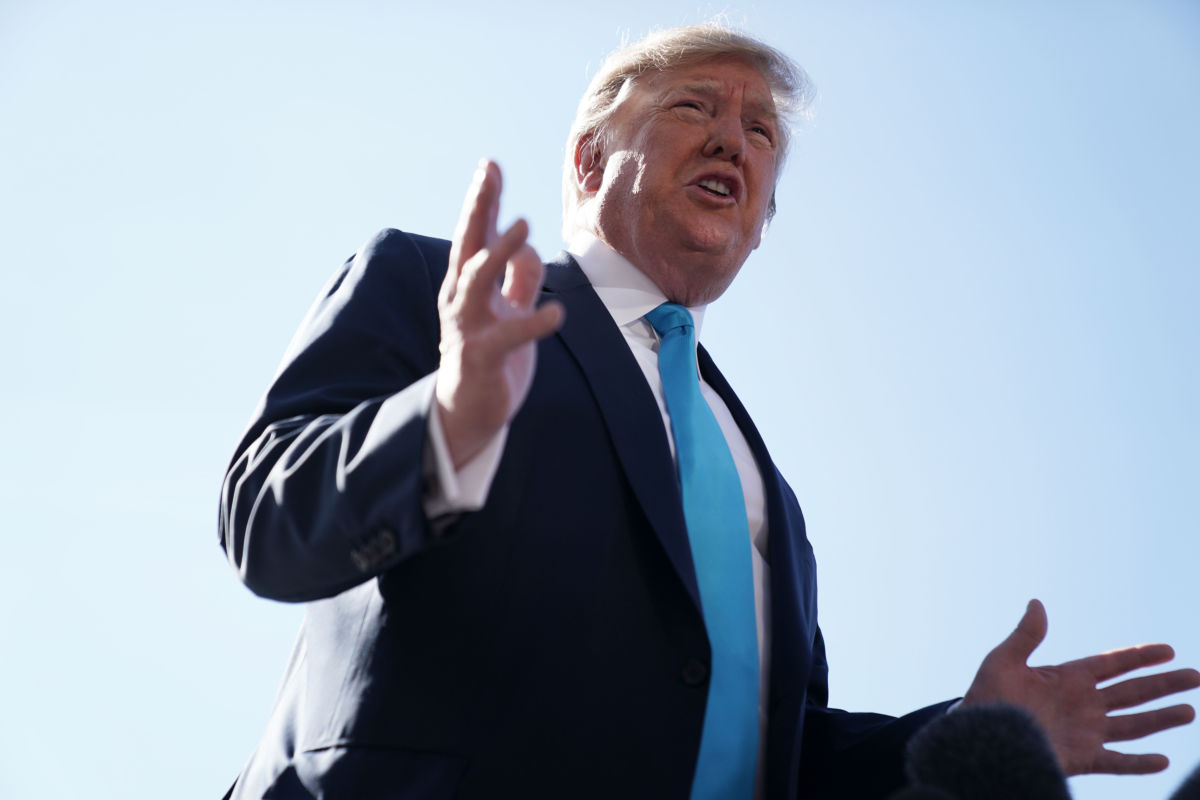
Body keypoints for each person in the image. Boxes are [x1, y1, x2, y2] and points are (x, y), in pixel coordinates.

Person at [218, 23, 1200, 800]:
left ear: (764, 217)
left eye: (762, 130)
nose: (735, 134)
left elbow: (781, 759)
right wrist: (444, 421)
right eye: (697, 104)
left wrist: (966, 732)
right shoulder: (439, 289)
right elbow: (266, 515)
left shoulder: (767, 491)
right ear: (594, 157)